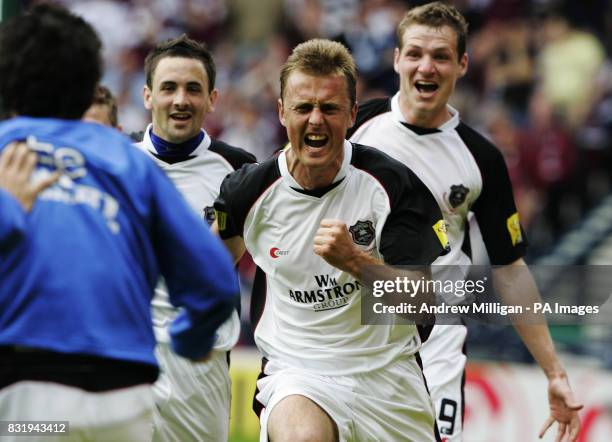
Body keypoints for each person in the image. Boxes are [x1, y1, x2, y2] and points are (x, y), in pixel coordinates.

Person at [0, 4, 239, 441]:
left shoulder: (6, 152)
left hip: (32, 393)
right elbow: (216, 284)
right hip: (123, 395)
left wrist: (12, 212)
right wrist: (190, 339)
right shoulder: (127, 163)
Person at [347, 3, 582, 441]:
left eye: (440, 56)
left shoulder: (482, 159)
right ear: (397, 59)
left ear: (462, 65)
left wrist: (553, 370)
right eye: (415, 53)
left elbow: (511, 270)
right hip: (352, 331)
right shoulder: (352, 126)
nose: (426, 66)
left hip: (436, 339)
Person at [214, 38, 449, 442]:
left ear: (352, 113)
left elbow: (424, 302)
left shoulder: (391, 185)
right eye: (304, 107)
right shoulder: (248, 192)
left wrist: (358, 263)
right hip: (298, 372)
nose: (316, 120)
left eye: (330, 107)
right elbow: (207, 270)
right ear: (282, 111)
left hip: (387, 375)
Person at [134, 34, 256, 442]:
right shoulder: (115, 160)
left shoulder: (240, 171)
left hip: (200, 363)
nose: (180, 100)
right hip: (126, 350)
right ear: (148, 95)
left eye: (193, 89)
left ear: (213, 98)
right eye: (168, 87)